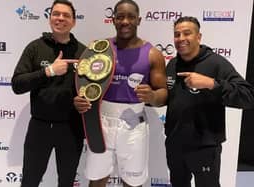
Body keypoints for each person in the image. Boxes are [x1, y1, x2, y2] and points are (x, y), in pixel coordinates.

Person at [74, 0, 167, 187]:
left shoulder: (152, 54)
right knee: (97, 178)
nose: (125, 21)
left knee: (133, 182)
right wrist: (79, 101)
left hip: (134, 123)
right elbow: (84, 85)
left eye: (131, 17)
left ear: (139, 20)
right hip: (100, 121)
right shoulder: (98, 48)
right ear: (113, 20)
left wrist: (153, 97)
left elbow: (163, 94)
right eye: (120, 17)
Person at [165, 16, 254, 187]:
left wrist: (211, 84)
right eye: (177, 34)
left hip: (204, 148)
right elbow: (171, 99)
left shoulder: (216, 63)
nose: (181, 38)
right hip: (175, 145)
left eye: (187, 33)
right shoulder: (172, 65)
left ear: (198, 37)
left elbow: (248, 96)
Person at [11, 1, 86, 187]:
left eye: (66, 15)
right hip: (40, 127)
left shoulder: (84, 52)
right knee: (30, 180)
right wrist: (48, 71)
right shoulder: (35, 48)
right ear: (50, 17)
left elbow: (91, 89)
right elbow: (17, 84)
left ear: (74, 22)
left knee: (67, 181)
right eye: (56, 14)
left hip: (72, 128)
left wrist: (83, 100)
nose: (60, 18)